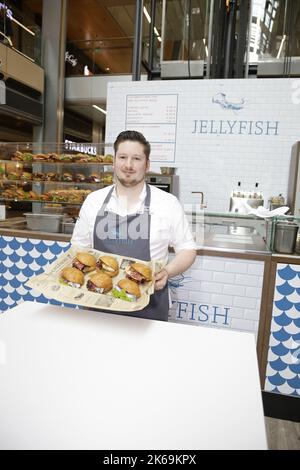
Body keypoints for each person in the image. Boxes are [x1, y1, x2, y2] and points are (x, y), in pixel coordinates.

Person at [71, 130, 197, 321]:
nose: (128, 165)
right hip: (99, 300)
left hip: (150, 306)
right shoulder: (94, 201)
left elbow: (187, 249)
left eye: (136, 158)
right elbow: (79, 247)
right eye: (122, 157)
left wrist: (167, 272)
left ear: (147, 165)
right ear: (113, 162)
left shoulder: (167, 203)